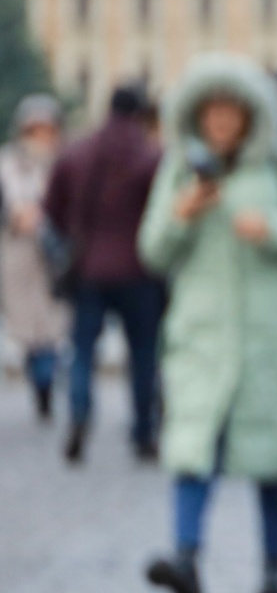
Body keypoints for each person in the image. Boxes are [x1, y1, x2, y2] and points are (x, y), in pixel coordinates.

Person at [138, 54, 277, 593]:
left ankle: (272, 569)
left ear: (249, 116)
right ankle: (185, 557)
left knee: (274, 457)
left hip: (273, 337)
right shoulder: (180, 169)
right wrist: (183, 214)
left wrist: (271, 229)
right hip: (202, 338)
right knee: (193, 448)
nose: (220, 122)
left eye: (231, 112)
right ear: (197, 116)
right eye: (211, 112)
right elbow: (151, 251)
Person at [42, 84, 162, 464]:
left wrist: (73, 237)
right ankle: (143, 432)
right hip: (139, 269)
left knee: (82, 351)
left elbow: (51, 207)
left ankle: (79, 415)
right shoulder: (150, 155)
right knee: (143, 355)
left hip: (89, 266)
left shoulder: (78, 151)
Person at [1, 94, 67, 421]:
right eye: (34, 130)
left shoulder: (64, 162)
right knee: (26, 326)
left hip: (55, 254)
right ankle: (38, 380)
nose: (41, 137)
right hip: (17, 252)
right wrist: (13, 217)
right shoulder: (7, 163)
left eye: (46, 130)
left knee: (54, 323)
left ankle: (47, 380)